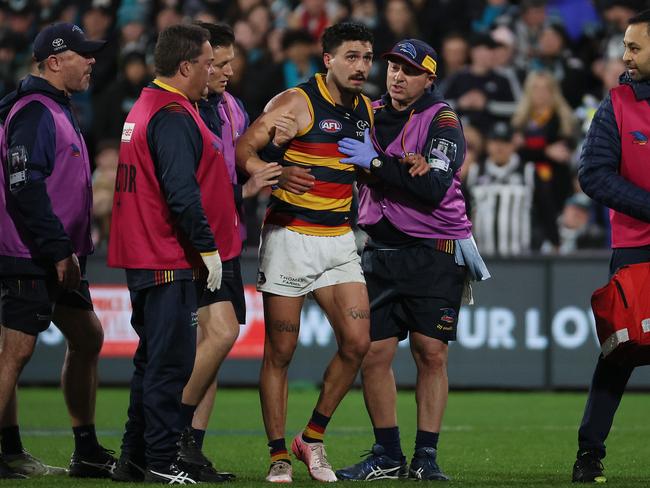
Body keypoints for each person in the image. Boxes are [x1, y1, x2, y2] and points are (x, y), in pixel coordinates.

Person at [333, 38, 488, 481]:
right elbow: (370, 168)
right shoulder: (368, 113)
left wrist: (379, 166)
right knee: (372, 353)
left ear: (428, 79)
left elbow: (433, 188)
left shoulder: (443, 120)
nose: (397, 76)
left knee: (430, 353)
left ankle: (425, 457)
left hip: (434, 251)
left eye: (409, 69)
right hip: (379, 251)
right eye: (394, 67)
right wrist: (401, 167)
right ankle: (387, 454)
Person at [236, 22, 375, 483]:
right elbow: (243, 150)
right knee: (281, 349)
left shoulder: (364, 111)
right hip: (290, 236)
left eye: (367, 57)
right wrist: (274, 171)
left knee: (357, 344)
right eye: (352, 56)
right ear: (328, 59)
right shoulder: (295, 101)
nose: (361, 66)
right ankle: (278, 453)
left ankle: (311, 437)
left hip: (338, 239)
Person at [107, 23, 238, 484]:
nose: (213, 72)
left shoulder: (145, 106)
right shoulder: (175, 115)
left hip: (144, 253)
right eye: (207, 64)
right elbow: (181, 193)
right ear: (186, 67)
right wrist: (208, 249)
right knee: (169, 366)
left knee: (149, 362)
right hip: (166, 257)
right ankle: (162, 463)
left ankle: (134, 458)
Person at [0, 22, 116, 480]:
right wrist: (57, 251)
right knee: (15, 352)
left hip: (56, 252)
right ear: (53, 61)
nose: (91, 61)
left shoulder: (55, 108)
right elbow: (23, 186)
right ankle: (8, 450)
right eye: (82, 54)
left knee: (87, 338)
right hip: (33, 252)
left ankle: (84, 450)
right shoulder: (34, 111)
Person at [171, 21, 285, 481]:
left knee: (213, 348)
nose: (227, 71)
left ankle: (189, 446)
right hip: (193, 244)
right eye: (218, 64)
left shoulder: (232, 106)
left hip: (228, 242)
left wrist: (267, 154)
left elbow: (236, 162)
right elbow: (188, 188)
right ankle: (170, 433)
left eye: (230, 62)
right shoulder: (181, 112)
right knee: (214, 338)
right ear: (195, 64)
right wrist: (246, 188)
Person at [573, 9, 650, 483]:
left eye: (635, 46)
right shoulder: (617, 103)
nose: (625, 56)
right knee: (619, 351)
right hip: (636, 250)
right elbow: (593, 174)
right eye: (626, 45)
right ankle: (589, 455)